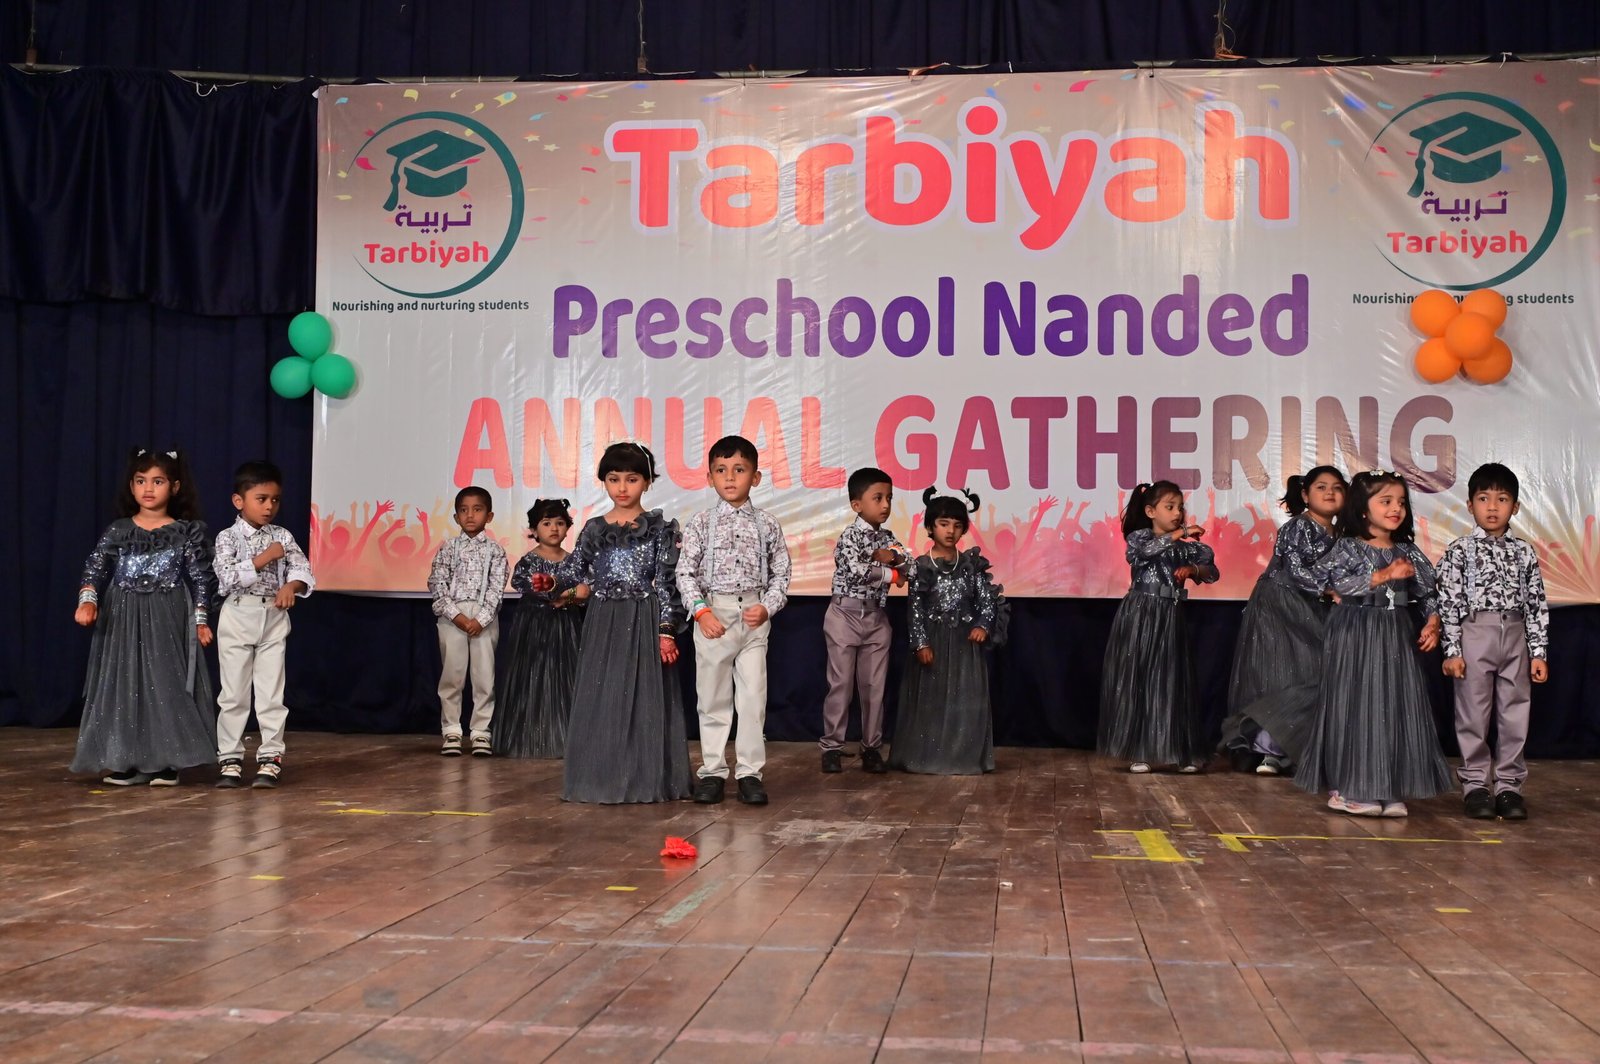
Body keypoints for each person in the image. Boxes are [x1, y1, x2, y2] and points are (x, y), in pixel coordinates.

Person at [1295, 470, 1453, 817]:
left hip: (1394, 632)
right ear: (1363, 509)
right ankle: (1348, 788)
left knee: (1392, 705)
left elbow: (1427, 591)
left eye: (1401, 502)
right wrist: (1382, 576)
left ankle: (1387, 786)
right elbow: (1335, 584)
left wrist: (1432, 622)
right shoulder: (1348, 547)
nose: (1396, 509)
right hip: (1356, 630)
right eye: (1386, 501)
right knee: (1356, 705)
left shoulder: (1406, 550)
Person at [71, 448, 217, 786]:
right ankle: (125, 758)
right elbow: (95, 568)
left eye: (158, 481)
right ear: (131, 486)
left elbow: (201, 578)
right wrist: (88, 600)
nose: (148, 488)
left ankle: (166, 761)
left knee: (165, 683)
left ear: (175, 487)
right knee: (124, 683)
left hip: (167, 613)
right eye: (141, 481)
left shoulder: (185, 532)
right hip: (123, 614)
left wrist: (200, 619)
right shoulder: (119, 530)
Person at [562, 442, 692, 804]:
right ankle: (600, 778)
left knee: (642, 700)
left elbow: (667, 584)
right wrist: (554, 584)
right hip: (603, 619)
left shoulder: (661, 529)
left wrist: (666, 631)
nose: (622, 487)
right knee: (602, 696)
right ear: (604, 481)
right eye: (613, 478)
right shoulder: (593, 529)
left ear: (647, 482)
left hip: (642, 618)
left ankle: (642, 778)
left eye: (632, 479)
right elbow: (575, 574)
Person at [676, 435, 792, 806]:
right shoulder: (701, 524)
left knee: (753, 698)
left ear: (755, 477)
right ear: (709, 477)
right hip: (714, 615)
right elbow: (685, 572)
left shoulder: (767, 524)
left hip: (753, 618)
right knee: (713, 698)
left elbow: (781, 574)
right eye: (721, 470)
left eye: (739, 470)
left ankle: (750, 773)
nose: (730, 477)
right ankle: (712, 771)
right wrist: (701, 610)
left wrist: (767, 606)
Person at [1436, 463, 1550, 821]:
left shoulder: (1524, 551)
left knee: (1515, 712)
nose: (1492, 507)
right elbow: (1448, 602)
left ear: (1515, 507)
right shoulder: (1459, 550)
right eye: (1484, 498)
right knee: (1473, 712)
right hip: (1476, 632)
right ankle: (1476, 786)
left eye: (1502, 499)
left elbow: (1536, 604)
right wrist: (1453, 650)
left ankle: (1509, 787)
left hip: (1514, 633)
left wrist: (1538, 652)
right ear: (1470, 505)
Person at [1220, 466, 1347, 776]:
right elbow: (1294, 567)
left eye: (1337, 487)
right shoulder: (1298, 526)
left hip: (1312, 606)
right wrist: (1328, 589)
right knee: (1280, 676)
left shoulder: (1341, 534)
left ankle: (1298, 751)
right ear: (1305, 494)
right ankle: (1270, 752)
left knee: (1315, 674)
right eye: (1321, 487)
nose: (1330, 493)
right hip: (1279, 605)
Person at [1097, 480, 1218, 773]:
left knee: (1172, 679)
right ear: (1151, 511)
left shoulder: (1184, 548)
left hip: (1170, 614)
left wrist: (1194, 569)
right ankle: (1140, 751)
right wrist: (1181, 533)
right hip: (1140, 613)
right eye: (1170, 507)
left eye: (1180, 508)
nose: (1177, 513)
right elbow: (1144, 553)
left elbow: (1212, 571)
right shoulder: (1140, 538)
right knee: (1141, 676)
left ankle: (1181, 751)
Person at [212, 460, 315, 788]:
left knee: (271, 692)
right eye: (261, 499)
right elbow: (227, 579)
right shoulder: (227, 538)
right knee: (234, 693)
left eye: (275, 500)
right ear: (239, 501)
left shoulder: (282, 536)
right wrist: (264, 557)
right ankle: (230, 758)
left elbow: (302, 568)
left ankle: (270, 757)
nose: (269, 506)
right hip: (238, 615)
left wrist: (291, 587)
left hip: (271, 616)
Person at [891, 487, 1008, 775]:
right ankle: (926, 757)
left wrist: (982, 625)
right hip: (933, 641)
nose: (950, 531)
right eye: (944, 524)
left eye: (957, 525)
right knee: (931, 701)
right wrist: (921, 643)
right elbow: (915, 610)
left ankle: (963, 758)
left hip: (964, 644)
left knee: (965, 700)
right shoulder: (921, 566)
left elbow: (987, 601)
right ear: (930, 527)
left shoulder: (970, 566)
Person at [820, 467, 909, 774]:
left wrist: (894, 558)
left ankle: (871, 747)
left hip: (875, 617)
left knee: (874, 687)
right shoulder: (850, 536)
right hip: (844, 615)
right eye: (878, 498)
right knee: (841, 685)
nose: (885, 505)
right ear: (857, 504)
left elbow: (910, 563)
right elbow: (858, 570)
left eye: (889, 498)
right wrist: (893, 573)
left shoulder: (888, 538)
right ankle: (832, 746)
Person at [493, 498, 588, 758]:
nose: (554, 528)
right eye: (546, 523)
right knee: (533, 677)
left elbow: (585, 591)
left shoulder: (574, 561)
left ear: (568, 528)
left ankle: (566, 738)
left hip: (566, 626)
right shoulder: (529, 561)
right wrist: (562, 593)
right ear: (534, 530)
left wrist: (568, 595)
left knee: (564, 676)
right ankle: (532, 738)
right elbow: (525, 584)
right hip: (534, 626)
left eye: (560, 523)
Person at [427, 486, 508, 756]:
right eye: (464, 510)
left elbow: (496, 589)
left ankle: (481, 732)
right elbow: (437, 584)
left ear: (489, 516)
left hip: (484, 618)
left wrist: (480, 619)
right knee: (452, 675)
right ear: (456, 517)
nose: (470, 515)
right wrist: (458, 616)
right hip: (453, 617)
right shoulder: (448, 548)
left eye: (477, 510)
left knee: (484, 676)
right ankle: (451, 730)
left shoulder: (495, 551)